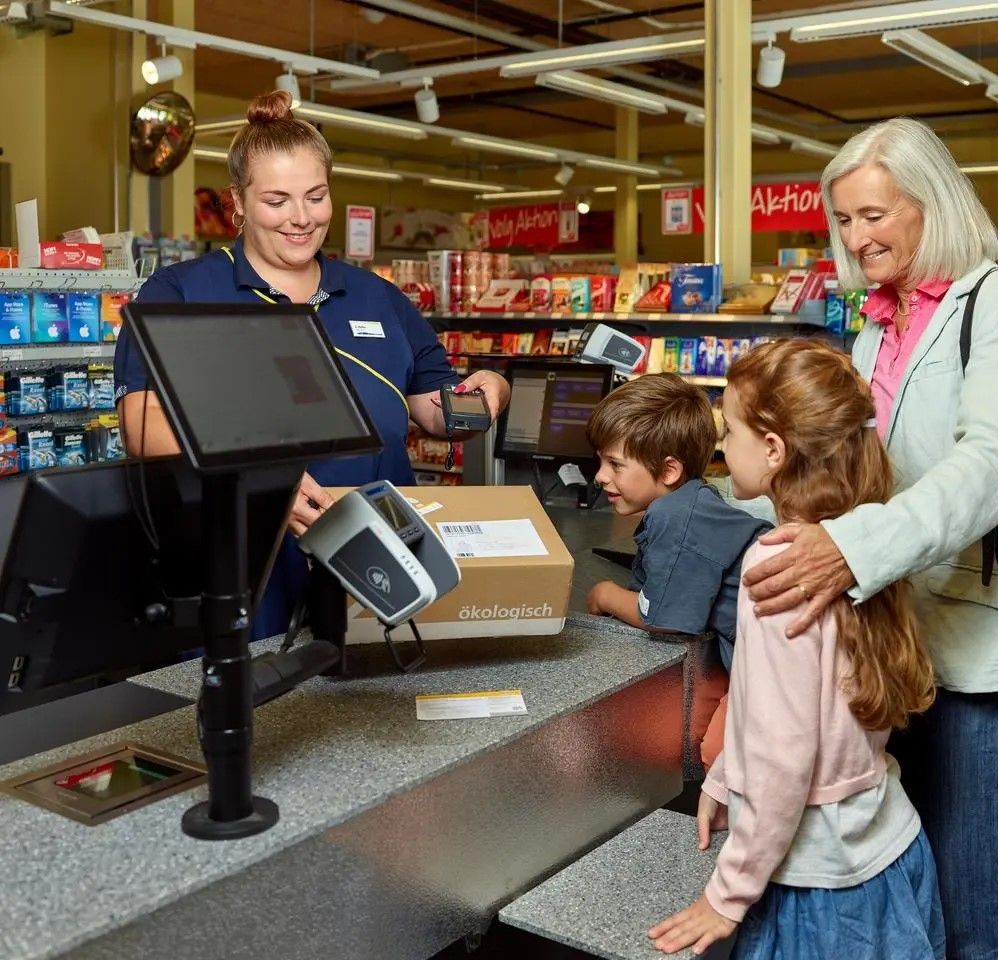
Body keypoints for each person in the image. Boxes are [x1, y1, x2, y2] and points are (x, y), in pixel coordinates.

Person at [739, 118, 998, 960]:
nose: (856, 238)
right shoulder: (876, 326)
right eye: (844, 220)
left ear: (932, 203)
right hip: (892, 644)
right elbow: (854, 470)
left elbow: (988, 468)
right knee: (911, 899)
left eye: (874, 215)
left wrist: (853, 548)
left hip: (976, 655)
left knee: (978, 917)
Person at [114, 89, 510, 639]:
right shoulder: (180, 292)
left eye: (316, 196)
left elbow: (436, 411)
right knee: (258, 689)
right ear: (237, 202)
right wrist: (265, 479)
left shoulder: (379, 297)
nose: (301, 218)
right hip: (243, 572)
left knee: (373, 687)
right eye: (276, 201)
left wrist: (488, 393)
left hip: (377, 569)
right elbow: (142, 426)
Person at [649, 339, 943, 960]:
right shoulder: (855, 542)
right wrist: (726, 778)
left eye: (729, 431)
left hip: (815, 890)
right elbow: (804, 707)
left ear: (774, 450)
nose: (721, 445)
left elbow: (783, 754)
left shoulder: (777, 566)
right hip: (890, 850)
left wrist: (726, 896)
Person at [584, 374, 772, 766]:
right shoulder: (693, 501)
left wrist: (606, 595)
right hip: (761, 657)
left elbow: (664, 619)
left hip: (771, 670)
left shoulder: (674, 517)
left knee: (717, 756)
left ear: (669, 470)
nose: (601, 476)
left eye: (615, 464)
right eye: (601, 461)